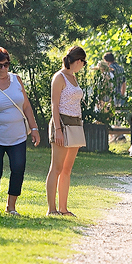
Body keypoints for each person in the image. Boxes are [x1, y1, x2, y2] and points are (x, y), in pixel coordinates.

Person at [0, 47, 41, 215]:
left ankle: (11, 206)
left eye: (6, 65)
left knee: (18, 168)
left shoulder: (17, 80)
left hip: (17, 135)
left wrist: (34, 128)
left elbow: (26, 106)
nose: (3, 69)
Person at [46, 46, 87, 216]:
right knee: (56, 167)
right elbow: (54, 105)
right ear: (78, 61)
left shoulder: (74, 77)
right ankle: (52, 209)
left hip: (75, 124)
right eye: (83, 62)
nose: (83, 66)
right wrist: (58, 129)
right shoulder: (59, 77)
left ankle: (63, 208)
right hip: (61, 123)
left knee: (67, 169)